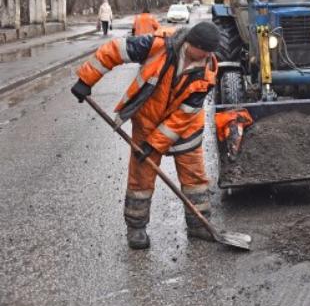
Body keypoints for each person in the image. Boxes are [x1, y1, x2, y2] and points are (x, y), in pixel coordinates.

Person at [71, 22, 220, 249]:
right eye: (204, 51)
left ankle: (199, 225)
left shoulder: (207, 72)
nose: (208, 56)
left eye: (210, 52)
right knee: (141, 176)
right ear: (191, 44)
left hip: (184, 126)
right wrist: (86, 79)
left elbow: (185, 114)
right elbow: (114, 50)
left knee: (194, 176)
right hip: (148, 119)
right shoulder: (158, 46)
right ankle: (136, 228)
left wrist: (155, 143)